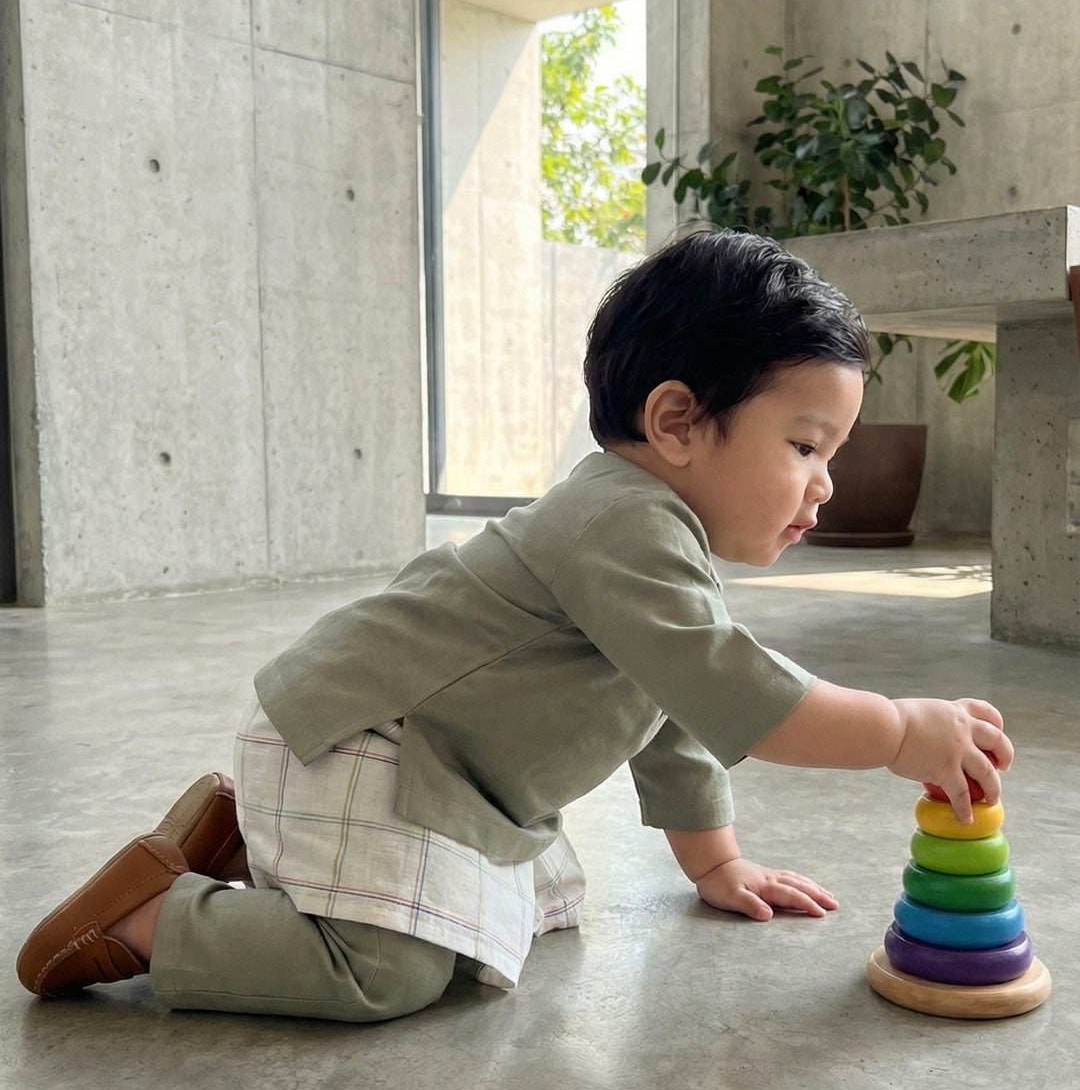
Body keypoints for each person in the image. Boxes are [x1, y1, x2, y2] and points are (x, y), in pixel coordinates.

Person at [16, 229, 1012, 1022]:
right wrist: (895, 731)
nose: (825, 485)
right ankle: (155, 916)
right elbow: (729, 689)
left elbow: (674, 716)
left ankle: (253, 837)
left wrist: (715, 862)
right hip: (364, 737)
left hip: (423, 761)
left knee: (514, 919)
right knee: (391, 972)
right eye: (804, 445)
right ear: (676, 423)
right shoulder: (624, 522)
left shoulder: (655, 534)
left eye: (831, 452)